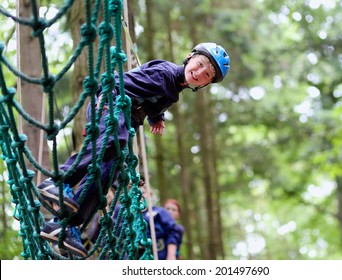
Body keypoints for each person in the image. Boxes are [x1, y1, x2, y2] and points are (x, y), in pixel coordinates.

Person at [37, 42, 230, 257]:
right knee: (114, 139)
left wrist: (157, 117)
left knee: (108, 173)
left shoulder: (174, 87)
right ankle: (59, 180)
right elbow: (119, 82)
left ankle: (66, 225)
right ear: (190, 57)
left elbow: (154, 101)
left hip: (123, 118)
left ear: (206, 83)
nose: (200, 72)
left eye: (207, 75)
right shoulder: (165, 74)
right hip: (111, 104)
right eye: (200, 64)